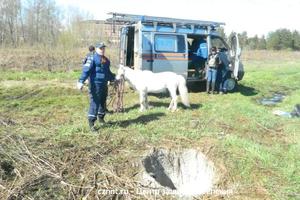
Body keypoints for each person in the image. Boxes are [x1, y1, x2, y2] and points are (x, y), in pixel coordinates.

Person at [77, 42, 115, 132]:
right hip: (95, 84)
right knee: (95, 103)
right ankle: (91, 124)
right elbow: (86, 70)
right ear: (97, 49)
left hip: (104, 84)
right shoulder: (92, 58)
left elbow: (108, 72)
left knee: (103, 102)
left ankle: (101, 119)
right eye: (101, 48)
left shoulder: (106, 60)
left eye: (103, 48)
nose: (102, 50)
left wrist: (114, 78)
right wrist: (81, 81)